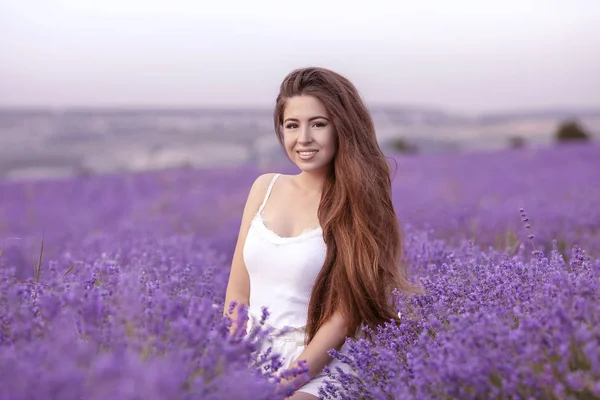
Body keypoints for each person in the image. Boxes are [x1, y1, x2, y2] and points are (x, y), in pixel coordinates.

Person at [223, 67, 421, 399]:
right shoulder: (264, 188)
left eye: (318, 124)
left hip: (320, 364)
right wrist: (229, 364)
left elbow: (343, 318)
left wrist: (281, 386)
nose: (303, 139)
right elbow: (237, 294)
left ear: (342, 128)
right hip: (250, 357)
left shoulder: (360, 204)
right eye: (292, 125)